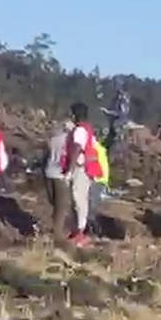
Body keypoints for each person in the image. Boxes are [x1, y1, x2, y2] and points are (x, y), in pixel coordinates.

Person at [60, 102, 104, 247]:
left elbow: (77, 150)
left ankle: (81, 233)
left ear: (75, 114)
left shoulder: (79, 131)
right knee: (78, 200)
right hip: (86, 169)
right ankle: (78, 231)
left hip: (81, 169)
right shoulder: (87, 129)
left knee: (79, 200)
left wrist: (69, 171)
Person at [42, 116, 75, 241]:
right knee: (61, 207)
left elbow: (45, 158)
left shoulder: (53, 139)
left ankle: (54, 229)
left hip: (49, 172)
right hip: (61, 174)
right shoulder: (70, 142)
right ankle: (57, 235)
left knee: (54, 203)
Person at [87, 130, 111, 236]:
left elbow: (92, 165)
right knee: (93, 205)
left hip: (96, 180)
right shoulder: (100, 148)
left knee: (90, 206)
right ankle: (94, 229)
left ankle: (93, 230)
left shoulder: (93, 148)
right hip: (101, 180)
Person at [101, 76, 132, 141]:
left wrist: (108, 112)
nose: (114, 85)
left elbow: (122, 113)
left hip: (119, 124)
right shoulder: (116, 97)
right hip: (113, 124)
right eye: (114, 83)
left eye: (116, 84)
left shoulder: (124, 97)